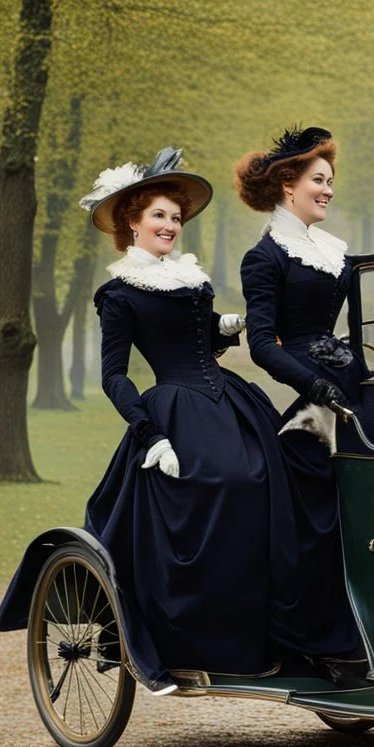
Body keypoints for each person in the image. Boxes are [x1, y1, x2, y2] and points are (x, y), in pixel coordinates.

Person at [79, 147, 295, 693]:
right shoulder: (119, 293)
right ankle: (188, 645)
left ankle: (265, 640)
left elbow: (203, 349)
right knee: (221, 486)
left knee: (269, 482)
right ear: (132, 221)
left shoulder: (191, 278)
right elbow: (114, 375)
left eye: (176, 217)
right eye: (159, 215)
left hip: (226, 401)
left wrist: (222, 329)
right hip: (172, 411)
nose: (171, 225)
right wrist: (149, 433)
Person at [237, 126, 374, 676]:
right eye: (319, 181)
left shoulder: (326, 247)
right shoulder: (263, 258)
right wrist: (311, 386)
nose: (329, 191)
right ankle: (316, 638)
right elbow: (262, 343)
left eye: (331, 181)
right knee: (320, 518)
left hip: (350, 377)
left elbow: (343, 267)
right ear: (287, 185)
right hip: (317, 394)